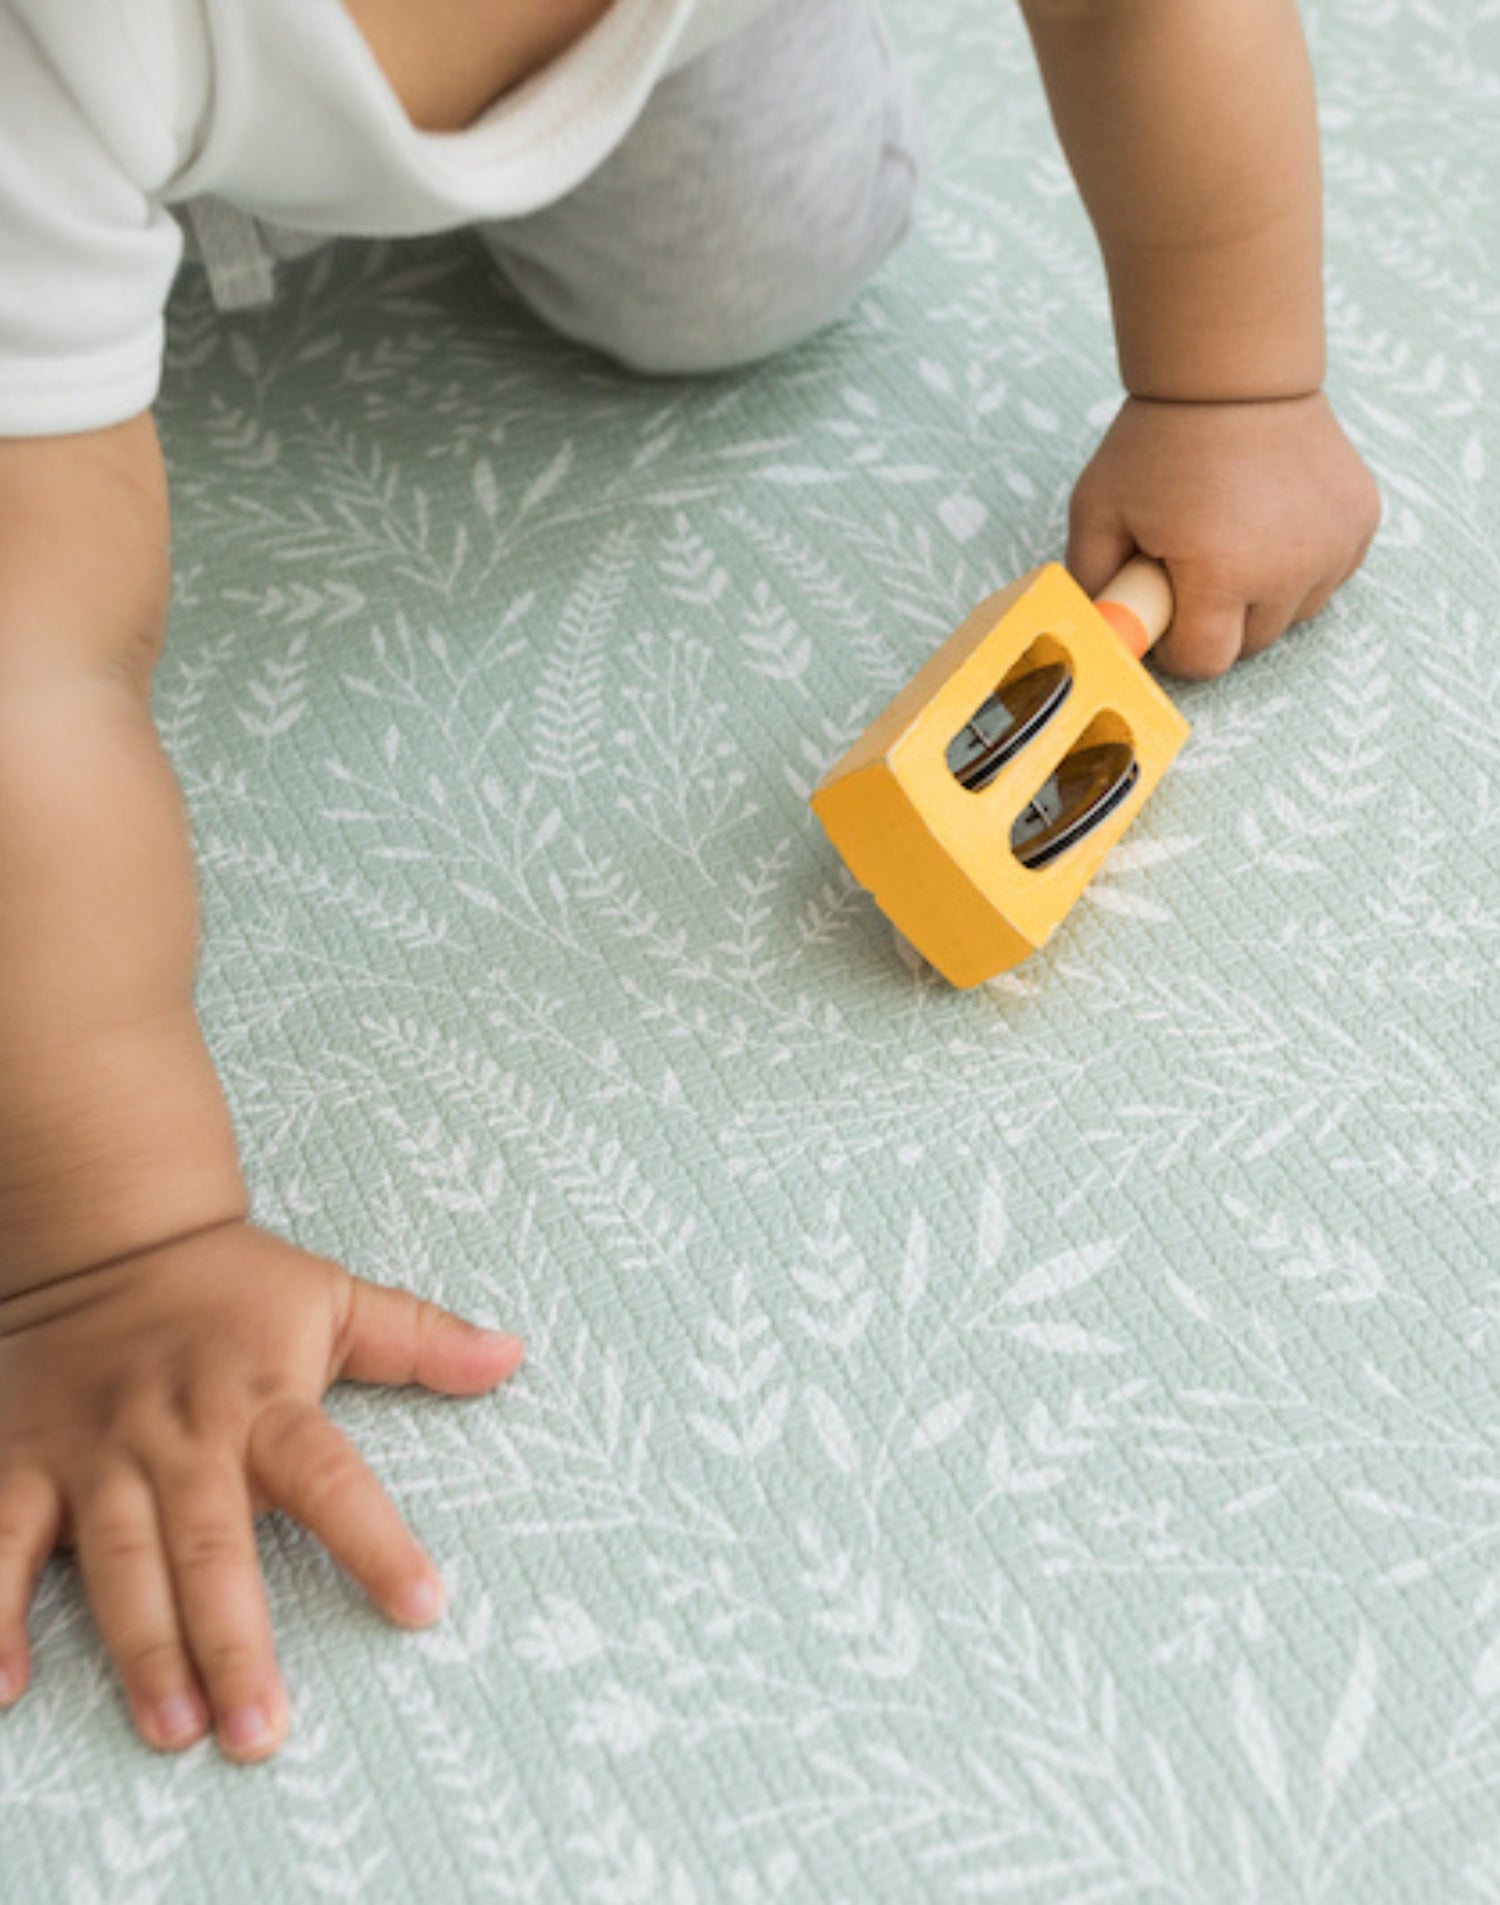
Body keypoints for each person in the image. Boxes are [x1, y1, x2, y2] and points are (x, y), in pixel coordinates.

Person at [0, 0, 1381, 1764]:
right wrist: (115, 1242)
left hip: (659, 49)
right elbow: (31, 661)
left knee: (757, 273)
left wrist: (1233, 382)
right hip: (111, 95)